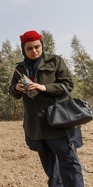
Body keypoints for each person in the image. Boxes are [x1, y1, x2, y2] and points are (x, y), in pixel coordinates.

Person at [9, 30, 84, 187]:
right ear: (23, 49)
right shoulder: (19, 69)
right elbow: (13, 92)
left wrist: (44, 87)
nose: (34, 51)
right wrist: (16, 88)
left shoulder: (55, 61)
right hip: (36, 127)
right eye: (29, 48)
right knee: (52, 170)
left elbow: (68, 85)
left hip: (59, 124)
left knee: (69, 166)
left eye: (37, 46)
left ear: (42, 45)